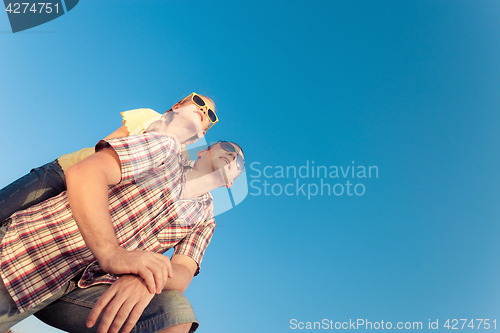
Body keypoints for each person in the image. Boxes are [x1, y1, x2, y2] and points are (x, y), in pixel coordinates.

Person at [0, 92, 217, 224]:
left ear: (203, 133)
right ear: (177, 106)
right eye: (198, 102)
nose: (203, 110)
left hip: (91, 202)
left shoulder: (178, 163)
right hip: (66, 172)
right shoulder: (150, 117)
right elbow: (105, 145)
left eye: (210, 115)